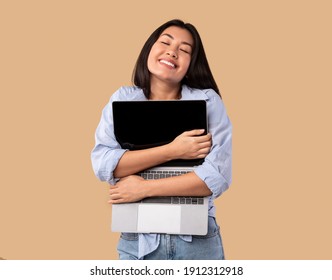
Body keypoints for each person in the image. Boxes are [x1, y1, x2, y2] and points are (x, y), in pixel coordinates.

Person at [91, 19, 232, 260]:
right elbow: (105, 165)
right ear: (149, 50)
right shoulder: (122, 99)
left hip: (197, 242)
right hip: (138, 241)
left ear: (191, 64)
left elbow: (215, 178)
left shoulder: (209, 102)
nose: (172, 51)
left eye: (184, 49)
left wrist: (144, 188)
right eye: (165, 42)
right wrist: (173, 150)